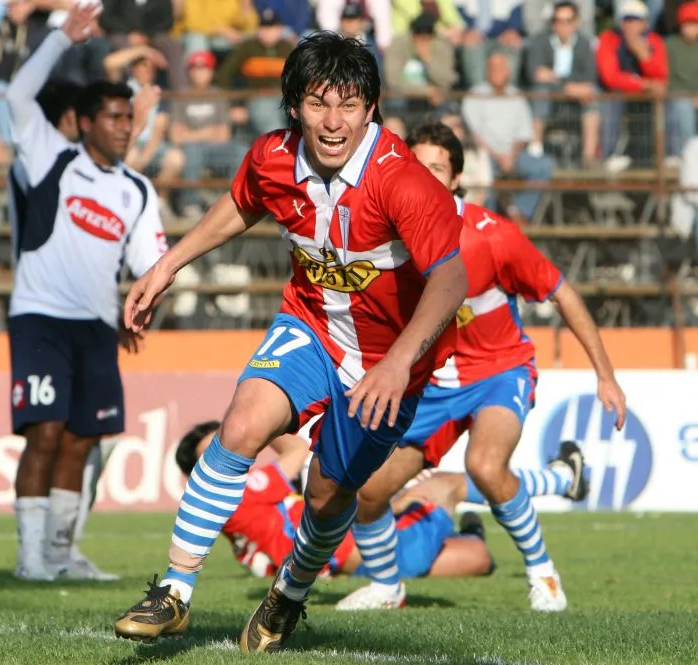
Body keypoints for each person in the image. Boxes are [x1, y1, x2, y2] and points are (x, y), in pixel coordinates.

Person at [113, 31, 468, 653]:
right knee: (242, 425)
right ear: (294, 106)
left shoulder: (404, 181)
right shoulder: (273, 157)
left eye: (350, 106)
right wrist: (166, 265)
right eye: (317, 103)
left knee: (328, 494)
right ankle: (174, 592)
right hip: (309, 327)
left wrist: (397, 361)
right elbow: (240, 204)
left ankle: (290, 593)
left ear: (372, 109)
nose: (333, 123)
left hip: (390, 367)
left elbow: (451, 278)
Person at [335, 122, 625, 613]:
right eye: (415, 165)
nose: (423, 176)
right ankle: (388, 587)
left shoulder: (493, 237)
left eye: (436, 168)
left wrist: (605, 374)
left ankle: (544, 576)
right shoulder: (385, 238)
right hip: (432, 385)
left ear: (454, 180)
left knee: (485, 466)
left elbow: (564, 295)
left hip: (499, 371)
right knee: (368, 490)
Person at [4, 3, 168, 582]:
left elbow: (151, 263)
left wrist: (142, 306)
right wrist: (57, 39)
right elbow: (16, 98)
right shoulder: (53, 159)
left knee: (81, 440)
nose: (126, 126)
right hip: (40, 318)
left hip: (96, 326)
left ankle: (60, 555)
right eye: (116, 117)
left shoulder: (138, 190)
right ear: (86, 121)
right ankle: (30, 558)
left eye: (131, 118)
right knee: (45, 434)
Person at [173, 421, 505, 581]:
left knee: (479, 558)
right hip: (354, 545)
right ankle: (553, 482)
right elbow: (297, 449)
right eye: (217, 450)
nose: (230, 452)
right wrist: (254, 423)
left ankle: (470, 533)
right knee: (445, 484)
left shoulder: (227, 507)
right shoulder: (240, 495)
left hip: (348, 563)